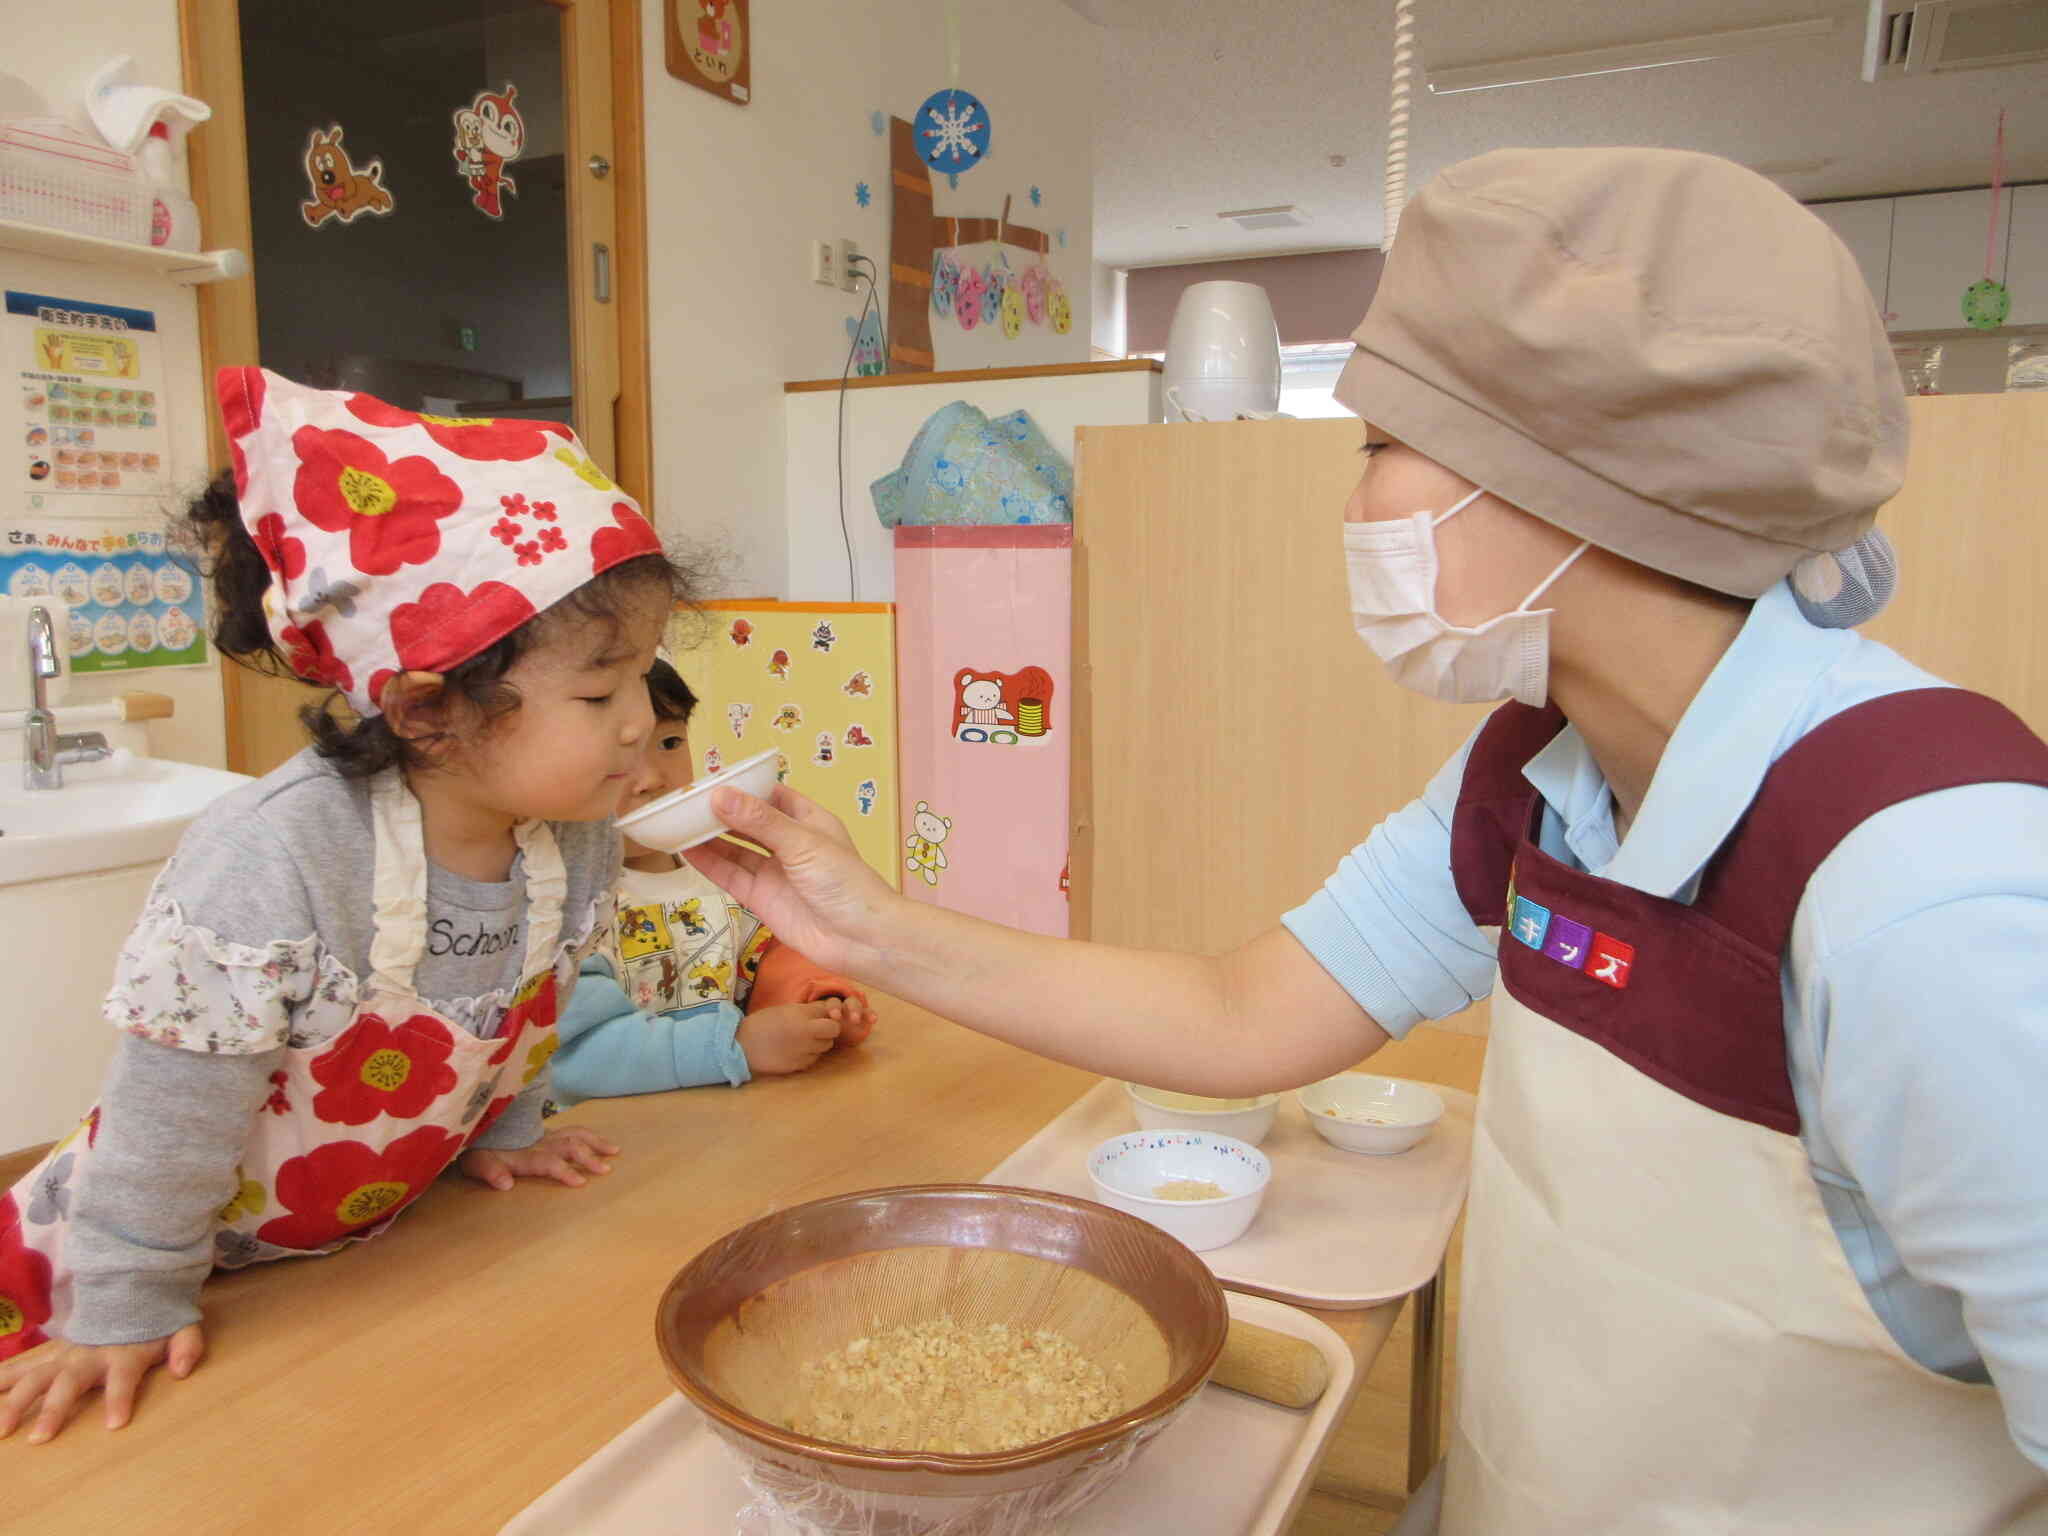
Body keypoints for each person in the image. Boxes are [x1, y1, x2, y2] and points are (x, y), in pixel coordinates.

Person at [681, 149, 2048, 1531]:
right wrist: (864, 924)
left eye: (1380, 448)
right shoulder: (1537, 771)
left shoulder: (1933, 890)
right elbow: (1240, 1012)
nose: (1354, 505)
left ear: (1573, 478)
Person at [0, 369, 693, 1444]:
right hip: (106, 1274)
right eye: (599, 694)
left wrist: (498, 1132)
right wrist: (126, 1297)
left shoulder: (576, 835)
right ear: (429, 712)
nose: (639, 723)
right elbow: (166, 1117)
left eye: (645, 680)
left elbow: (521, 1002)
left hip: (326, 1266)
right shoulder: (275, 858)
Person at [548, 653, 874, 1108]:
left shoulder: (722, 868)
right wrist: (737, 1044)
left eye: (669, 744)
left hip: (719, 1119)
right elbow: (573, 1058)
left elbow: (769, 954)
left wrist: (818, 1003)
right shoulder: (561, 898)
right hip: (608, 1139)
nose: (651, 779)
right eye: (620, 757)